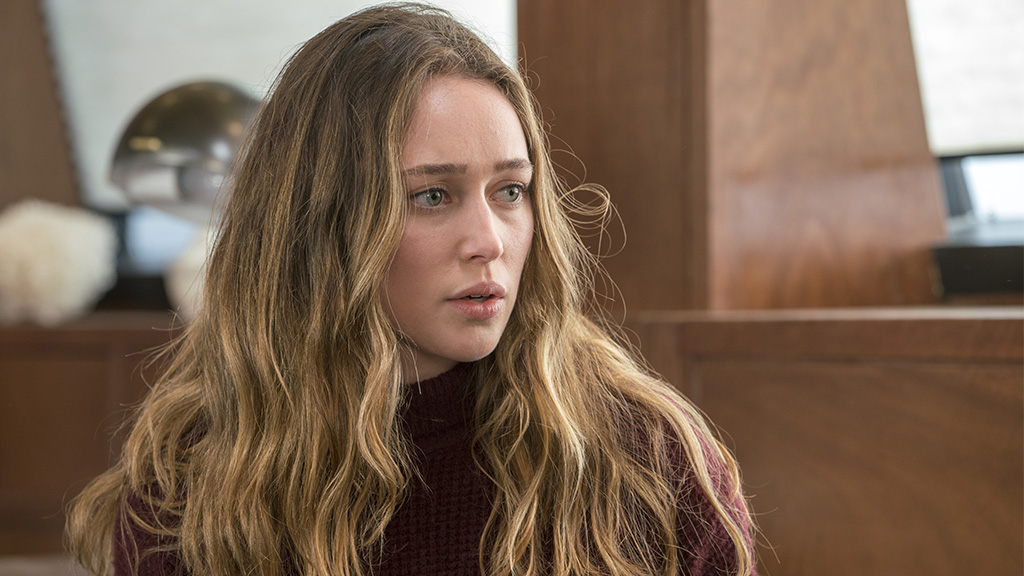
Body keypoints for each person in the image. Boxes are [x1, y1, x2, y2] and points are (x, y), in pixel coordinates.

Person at [67, 3, 758, 575]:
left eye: (510, 190)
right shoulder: (187, 491)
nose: (489, 240)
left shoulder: (645, 460)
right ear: (323, 224)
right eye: (432, 195)